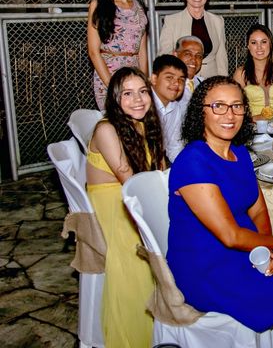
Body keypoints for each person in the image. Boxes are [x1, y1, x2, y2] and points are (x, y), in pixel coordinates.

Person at [166, 76, 273, 347]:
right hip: (206, 264)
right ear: (201, 112)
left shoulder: (239, 152)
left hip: (247, 246)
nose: (230, 115)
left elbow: (257, 209)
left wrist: (267, 250)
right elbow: (230, 236)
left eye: (237, 106)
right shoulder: (192, 162)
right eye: (218, 106)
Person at [86, 67, 166, 347]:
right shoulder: (106, 128)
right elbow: (130, 181)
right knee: (142, 255)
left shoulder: (143, 123)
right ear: (115, 99)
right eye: (128, 94)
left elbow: (158, 168)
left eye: (143, 92)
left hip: (131, 195)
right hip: (115, 202)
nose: (138, 100)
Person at [87, 0, 148, 110]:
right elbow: (94, 52)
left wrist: (144, 81)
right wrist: (112, 86)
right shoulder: (98, 4)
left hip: (134, 74)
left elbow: (142, 50)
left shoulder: (139, 5)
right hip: (108, 74)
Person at [159, 0, 228, 78]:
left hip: (211, 79)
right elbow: (165, 56)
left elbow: (221, 57)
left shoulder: (217, 21)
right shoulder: (171, 21)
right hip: (182, 79)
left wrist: (224, 82)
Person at [233, 24, 273, 121]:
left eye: (264, 42)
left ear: (270, 44)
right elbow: (235, 106)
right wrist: (252, 120)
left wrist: (265, 116)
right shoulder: (240, 73)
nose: (259, 47)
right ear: (248, 46)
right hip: (253, 124)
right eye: (254, 43)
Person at [150, 54, 187, 162]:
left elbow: (174, 147)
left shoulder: (175, 107)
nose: (176, 83)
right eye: (169, 77)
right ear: (154, 79)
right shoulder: (142, 105)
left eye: (181, 80)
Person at [173, 35, 205, 107]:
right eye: (188, 54)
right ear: (175, 55)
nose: (194, 60)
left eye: (198, 56)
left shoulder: (203, 84)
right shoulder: (169, 87)